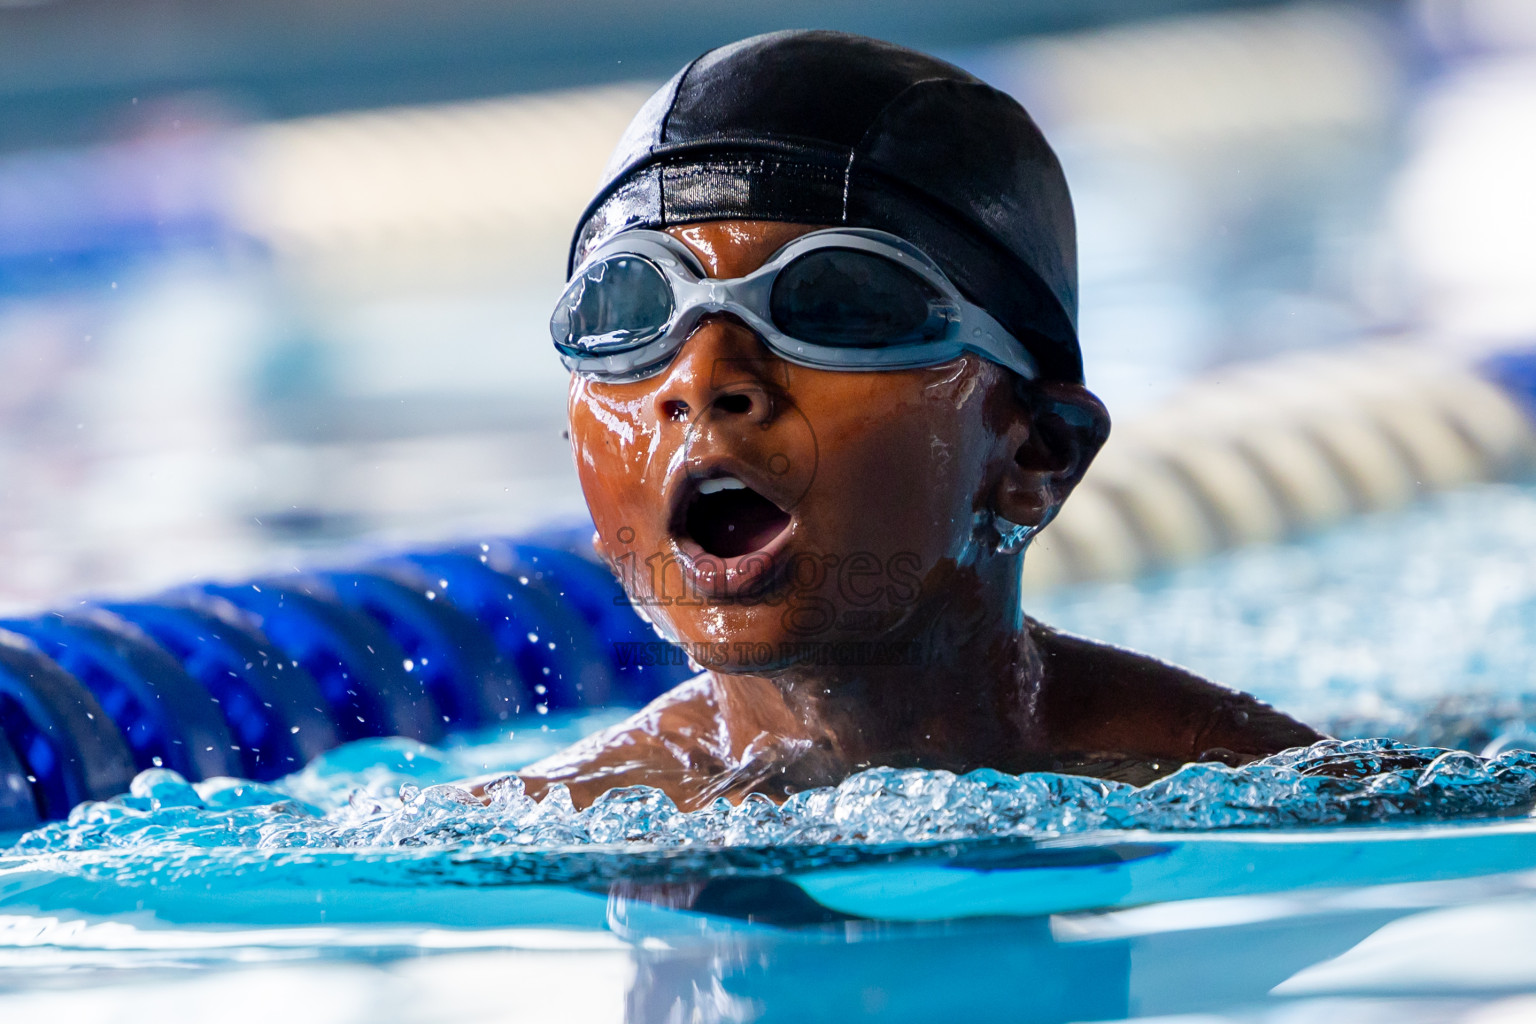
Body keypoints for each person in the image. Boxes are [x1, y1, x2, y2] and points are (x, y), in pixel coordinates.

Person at [511, 30, 1321, 811]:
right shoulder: (539, 823)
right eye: (627, 314)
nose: (704, 377)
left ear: (1037, 456)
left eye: (831, 305)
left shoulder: (1257, 786)